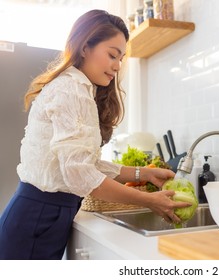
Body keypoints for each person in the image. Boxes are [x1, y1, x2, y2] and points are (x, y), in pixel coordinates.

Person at [0, 9, 190, 260]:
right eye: (112, 55)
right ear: (84, 47)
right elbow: (80, 175)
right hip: (36, 218)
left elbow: (85, 164)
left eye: (121, 58)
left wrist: (143, 173)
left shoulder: (79, 88)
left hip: (44, 215)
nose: (117, 66)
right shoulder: (71, 89)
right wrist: (149, 200)